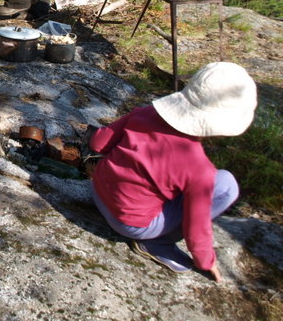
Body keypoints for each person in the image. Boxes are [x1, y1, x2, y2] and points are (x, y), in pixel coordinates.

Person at [89, 61, 257, 280]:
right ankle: (157, 243)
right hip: (129, 224)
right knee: (226, 185)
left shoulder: (145, 113)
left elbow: (98, 143)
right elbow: (196, 227)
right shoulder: (199, 168)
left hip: (98, 193)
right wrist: (205, 260)